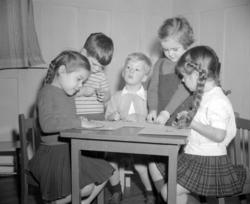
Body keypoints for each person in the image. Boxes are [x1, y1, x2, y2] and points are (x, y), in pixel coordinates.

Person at [158, 46, 246, 203]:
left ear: (197, 75)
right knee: (167, 189)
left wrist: (193, 124)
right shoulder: (205, 96)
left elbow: (219, 135)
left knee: (168, 192)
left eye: (184, 76)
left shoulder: (217, 100)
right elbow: (202, 126)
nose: (182, 80)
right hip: (196, 155)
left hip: (208, 161)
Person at [29, 50, 115, 204]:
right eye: (79, 79)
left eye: (83, 82)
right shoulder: (47, 92)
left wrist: (85, 123)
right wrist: (79, 122)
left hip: (69, 149)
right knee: (85, 188)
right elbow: (47, 125)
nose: (79, 86)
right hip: (53, 154)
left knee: (106, 171)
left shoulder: (67, 94)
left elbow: (67, 120)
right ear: (61, 71)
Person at [146, 15, 195, 195]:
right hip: (162, 121)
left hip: (181, 121)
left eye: (176, 49)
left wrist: (166, 112)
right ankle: (167, 196)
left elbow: (183, 91)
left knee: (180, 168)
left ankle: (176, 196)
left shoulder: (191, 63)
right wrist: (152, 109)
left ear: (187, 44)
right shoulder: (159, 64)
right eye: (166, 49)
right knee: (153, 163)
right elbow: (153, 90)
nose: (171, 54)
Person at [105, 53, 155, 204]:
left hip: (141, 143)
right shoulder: (116, 96)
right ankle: (116, 191)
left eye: (137, 69)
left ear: (145, 77)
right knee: (109, 161)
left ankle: (150, 193)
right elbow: (107, 116)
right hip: (119, 141)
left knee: (140, 166)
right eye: (128, 67)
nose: (131, 71)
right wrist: (112, 116)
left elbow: (153, 120)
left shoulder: (149, 97)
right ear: (122, 72)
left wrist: (140, 118)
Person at [75, 32, 113, 120]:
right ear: (83, 53)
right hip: (77, 116)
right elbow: (65, 94)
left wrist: (104, 96)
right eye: (94, 64)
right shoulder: (74, 73)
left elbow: (108, 94)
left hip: (98, 116)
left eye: (102, 67)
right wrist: (82, 92)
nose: (98, 69)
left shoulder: (101, 75)